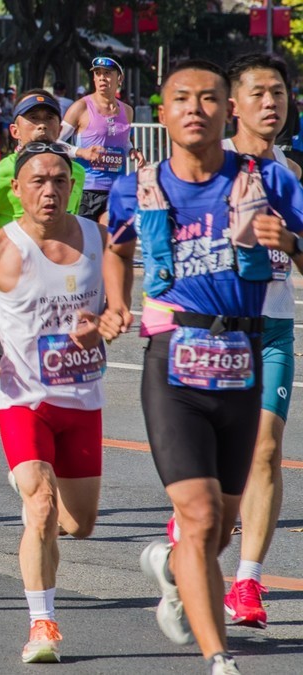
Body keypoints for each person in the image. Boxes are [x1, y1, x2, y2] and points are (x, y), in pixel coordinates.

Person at [101, 59, 303, 675]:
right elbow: (117, 248)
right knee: (200, 514)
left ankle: (172, 564)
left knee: (217, 525)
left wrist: (291, 244)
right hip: (174, 359)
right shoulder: (137, 186)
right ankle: (219, 658)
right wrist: (116, 303)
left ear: (225, 109)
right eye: (182, 98)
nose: (196, 108)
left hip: (244, 356)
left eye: (208, 98)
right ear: (162, 113)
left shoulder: (272, 181)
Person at [0, 143, 107, 663]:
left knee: (79, 524)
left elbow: (112, 304)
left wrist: (102, 324)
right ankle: (42, 625)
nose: (50, 191)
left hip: (82, 399)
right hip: (23, 398)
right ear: (16, 189)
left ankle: (36, 495)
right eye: (38, 181)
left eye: (60, 181)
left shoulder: (97, 237)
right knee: (41, 507)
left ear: (72, 187)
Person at [0, 91, 86, 501]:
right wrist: (0, 261)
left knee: (53, 390)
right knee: (9, 391)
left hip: (57, 307)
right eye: (32, 119)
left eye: (50, 118)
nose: (42, 125)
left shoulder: (73, 174)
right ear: (14, 130)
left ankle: (33, 464)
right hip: (7, 306)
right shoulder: (0, 176)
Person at [217, 53, 303, 631]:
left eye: (280, 93)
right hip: (214, 331)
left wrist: (289, 242)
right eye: (259, 93)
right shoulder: (208, 163)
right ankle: (189, 544)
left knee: (266, 451)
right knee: (219, 468)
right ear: (233, 105)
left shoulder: (291, 173)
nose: (271, 103)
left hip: (272, 327)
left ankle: (247, 581)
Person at [61, 56, 141, 223]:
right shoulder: (80, 107)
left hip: (116, 190)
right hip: (86, 190)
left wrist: (132, 151)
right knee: (86, 239)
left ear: (120, 78)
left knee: (113, 239)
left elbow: (123, 141)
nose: (102, 78)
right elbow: (54, 142)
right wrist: (81, 152)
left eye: (107, 73)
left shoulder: (127, 110)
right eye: (98, 73)